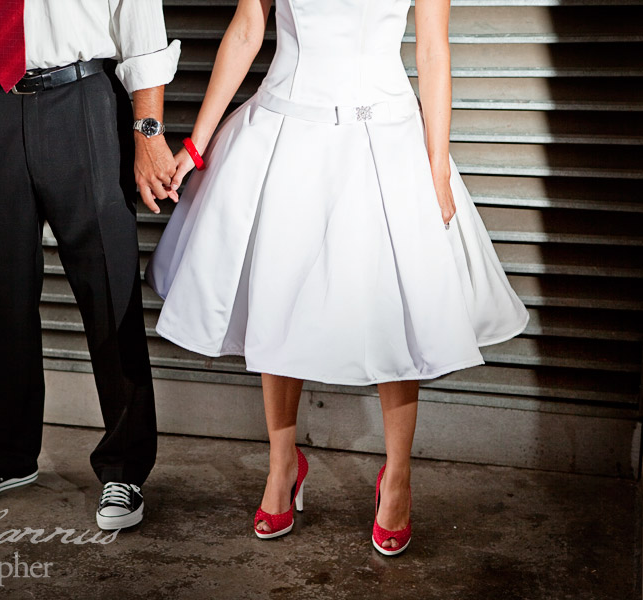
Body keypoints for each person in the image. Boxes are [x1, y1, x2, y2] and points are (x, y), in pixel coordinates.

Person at [146, 0, 528, 554]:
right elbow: (249, 26)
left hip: (387, 139)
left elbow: (432, 48)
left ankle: (397, 478)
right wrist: (197, 143)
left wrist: (437, 166)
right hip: (285, 131)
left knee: (398, 309)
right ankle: (283, 466)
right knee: (275, 301)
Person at [0, 0, 181, 530]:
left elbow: (142, 29)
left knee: (109, 293)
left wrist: (148, 133)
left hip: (84, 104)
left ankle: (125, 467)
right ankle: (7, 455)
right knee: (1, 294)